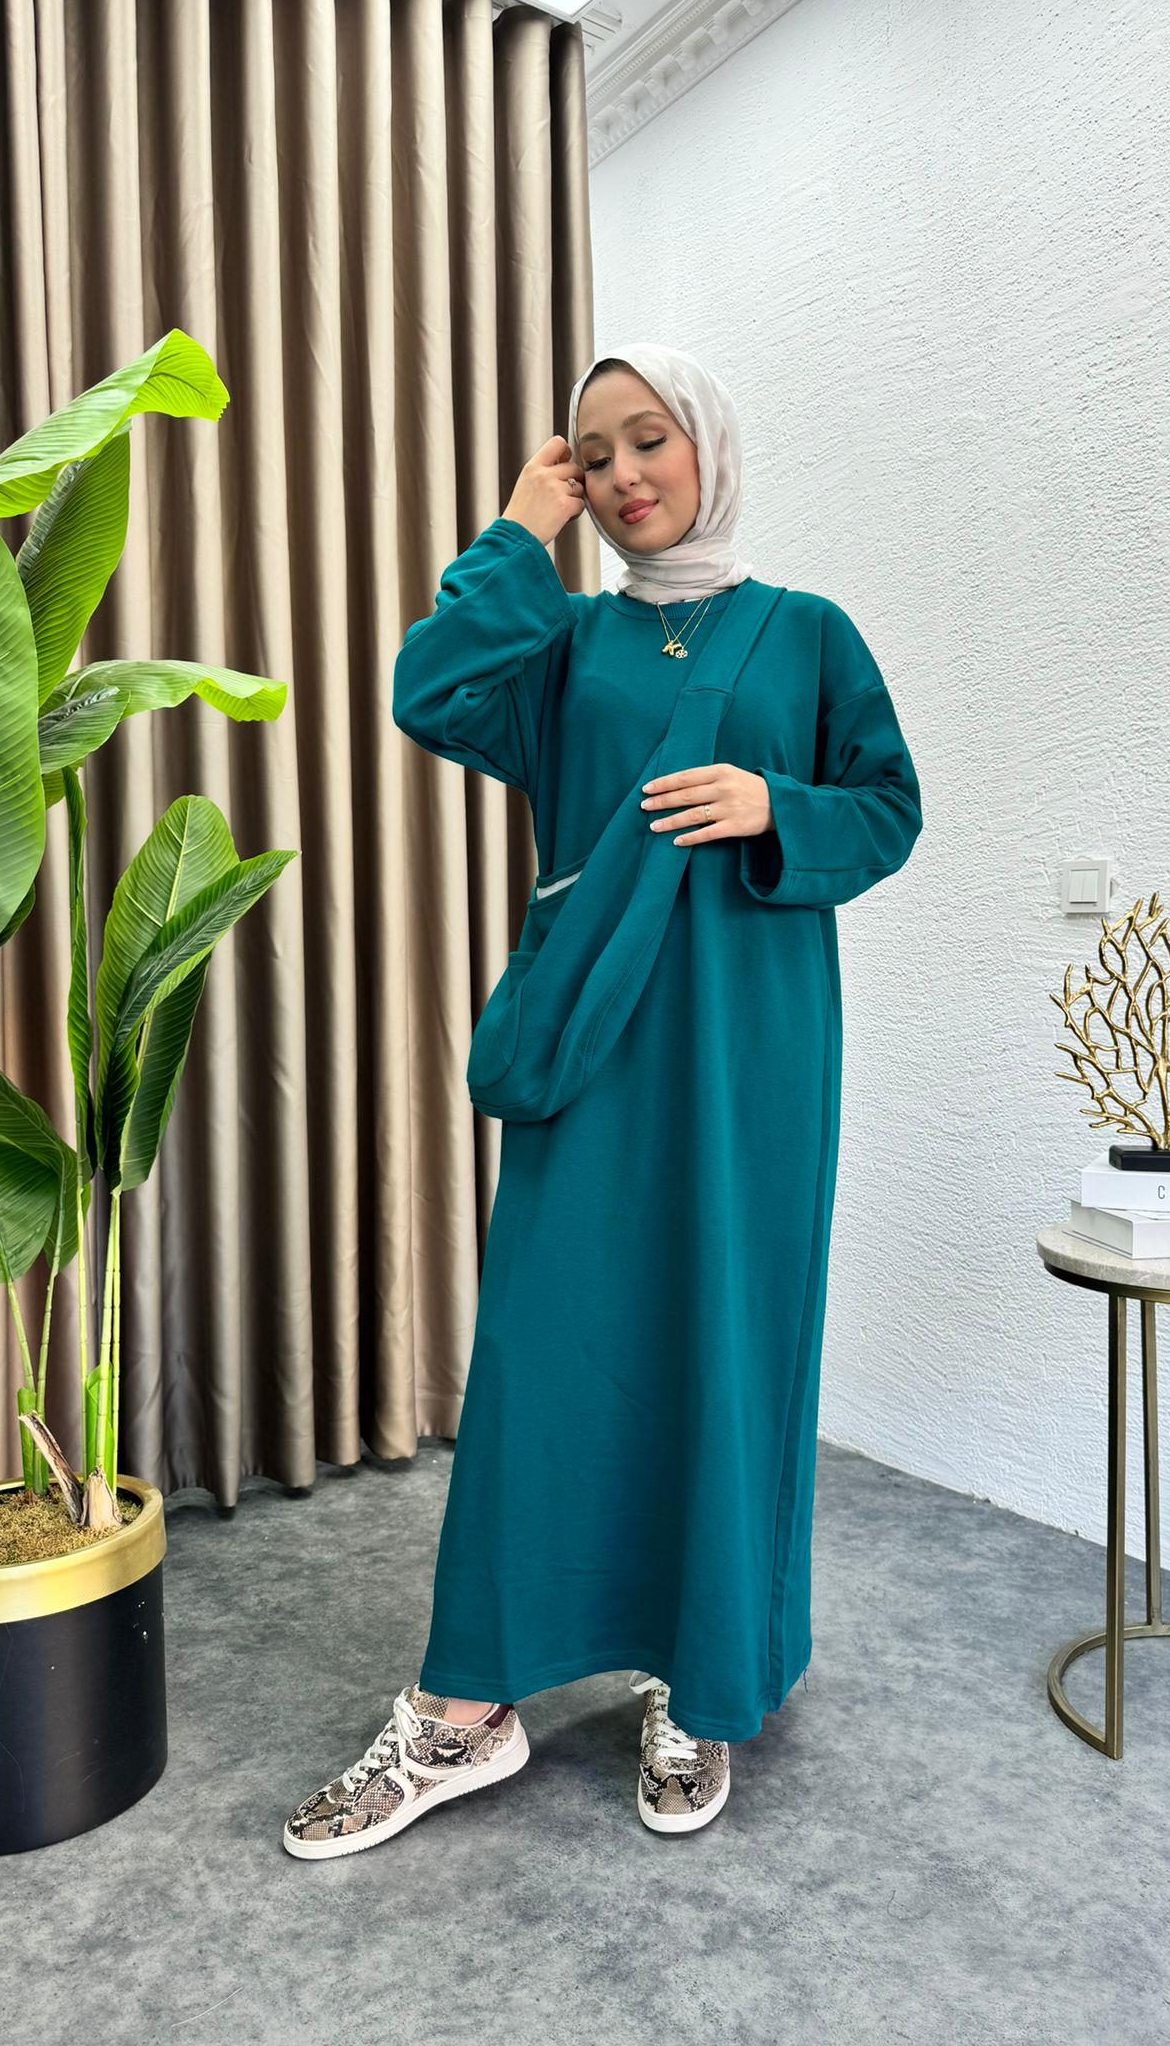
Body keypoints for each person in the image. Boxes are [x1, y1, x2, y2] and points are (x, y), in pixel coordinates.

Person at [283, 342, 923, 1857]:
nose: (627, 475)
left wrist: (775, 804)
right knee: (547, 1351)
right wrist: (522, 526)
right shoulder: (564, 644)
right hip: (590, 1036)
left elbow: (890, 808)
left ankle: (702, 1681)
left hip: (752, 1051)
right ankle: (466, 1707)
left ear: (707, 446)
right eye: (596, 454)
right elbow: (429, 689)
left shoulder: (806, 634)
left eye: (651, 440)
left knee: (726, 1341)